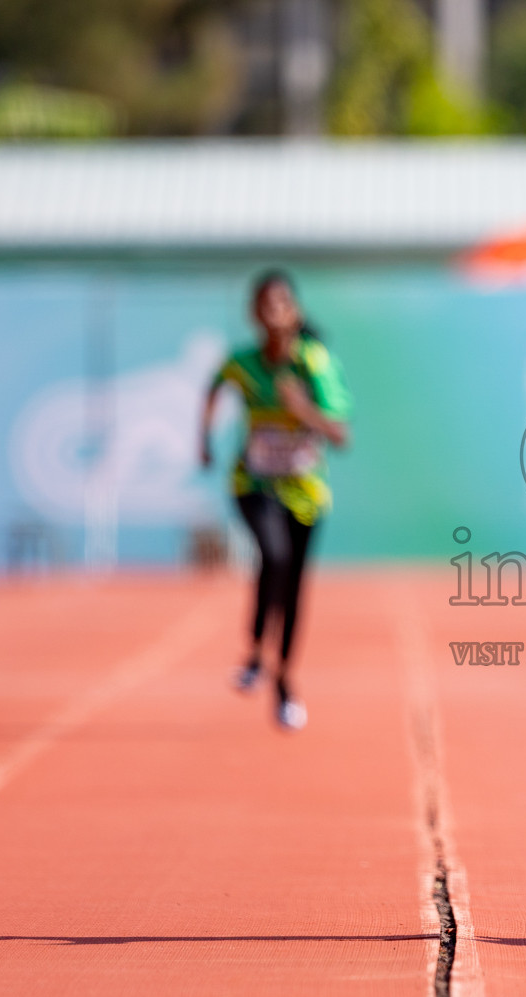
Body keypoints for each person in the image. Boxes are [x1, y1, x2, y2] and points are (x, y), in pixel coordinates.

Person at [200, 271, 351, 731]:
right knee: (273, 555)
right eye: (264, 304)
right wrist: (202, 437)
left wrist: (301, 408)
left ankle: (284, 680)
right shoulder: (242, 363)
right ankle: (253, 651)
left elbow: (340, 434)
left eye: (282, 303)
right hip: (254, 483)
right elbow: (214, 387)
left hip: (305, 493)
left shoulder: (313, 362)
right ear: (254, 313)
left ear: (295, 312)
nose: (273, 311)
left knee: (293, 582)